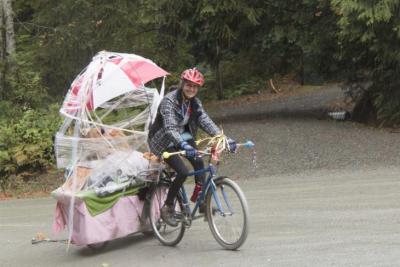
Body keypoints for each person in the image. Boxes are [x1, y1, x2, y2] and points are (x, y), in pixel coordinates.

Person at [148, 67, 236, 226]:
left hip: (183, 136)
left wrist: (224, 138)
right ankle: (167, 207)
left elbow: (206, 121)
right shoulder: (169, 101)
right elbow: (169, 128)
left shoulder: (194, 103)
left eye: (195, 86)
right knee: (183, 171)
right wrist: (181, 144)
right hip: (163, 139)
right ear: (182, 84)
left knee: (198, 162)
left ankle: (201, 202)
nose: (191, 89)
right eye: (188, 85)